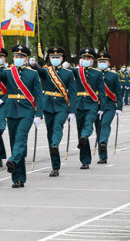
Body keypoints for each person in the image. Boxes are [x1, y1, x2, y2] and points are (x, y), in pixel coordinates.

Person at [0, 45, 43, 188]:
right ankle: (18, 178)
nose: (18, 59)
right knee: (15, 143)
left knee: (20, 138)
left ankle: (13, 159)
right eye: (16, 57)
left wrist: (38, 113)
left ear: (26, 59)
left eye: (21, 57)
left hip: (26, 110)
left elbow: (38, 94)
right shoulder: (8, 72)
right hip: (12, 109)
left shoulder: (32, 74)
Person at [29, 47, 76, 177]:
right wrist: (33, 64)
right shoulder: (46, 71)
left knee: (57, 127)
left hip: (62, 106)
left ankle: (55, 144)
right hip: (48, 105)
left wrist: (72, 110)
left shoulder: (68, 73)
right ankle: (55, 166)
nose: (55, 59)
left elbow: (72, 92)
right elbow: (38, 71)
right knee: (50, 134)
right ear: (49, 59)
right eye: (52, 58)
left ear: (62, 59)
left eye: (58, 57)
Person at [66, 48, 106, 169]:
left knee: (88, 124)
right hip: (79, 104)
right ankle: (85, 160)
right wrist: (65, 66)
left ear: (92, 61)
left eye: (88, 58)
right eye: (84, 58)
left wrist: (102, 107)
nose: (86, 60)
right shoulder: (77, 71)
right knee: (80, 132)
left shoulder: (97, 73)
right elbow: (65, 72)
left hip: (92, 103)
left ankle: (85, 135)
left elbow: (102, 91)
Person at [96, 52, 122, 164]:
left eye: (104, 61)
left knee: (105, 125)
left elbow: (119, 92)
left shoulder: (113, 75)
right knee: (98, 129)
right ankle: (103, 156)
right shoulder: (93, 74)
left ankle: (102, 143)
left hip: (109, 105)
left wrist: (119, 107)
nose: (102, 63)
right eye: (100, 61)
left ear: (108, 63)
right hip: (96, 105)